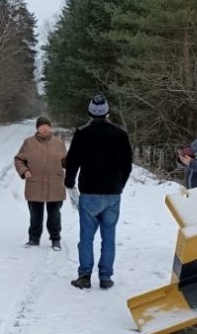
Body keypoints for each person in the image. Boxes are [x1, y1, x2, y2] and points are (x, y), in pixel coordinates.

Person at [64, 94, 132, 290]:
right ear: (108, 112)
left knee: (86, 237)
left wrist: (70, 181)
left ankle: (84, 276)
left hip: (90, 193)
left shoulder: (82, 133)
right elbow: (127, 164)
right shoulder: (120, 134)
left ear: (89, 113)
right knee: (108, 237)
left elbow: (73, 160)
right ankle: (105, 277)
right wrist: (120, 185)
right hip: (112, 194)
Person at [14, 116, 67, 250]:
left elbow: (66, 161)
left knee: (54, 216)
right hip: (35, 184)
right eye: (41, 126)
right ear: (37, 128)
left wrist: (70, 164)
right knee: (35, 215)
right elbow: (19, 159)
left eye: (47, 126)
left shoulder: (59, 143)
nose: (44, 128)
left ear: (50, 127)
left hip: (55, 184)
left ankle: (55, 239)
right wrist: (24, 171)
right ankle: (33, 238)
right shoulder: (28, 143)